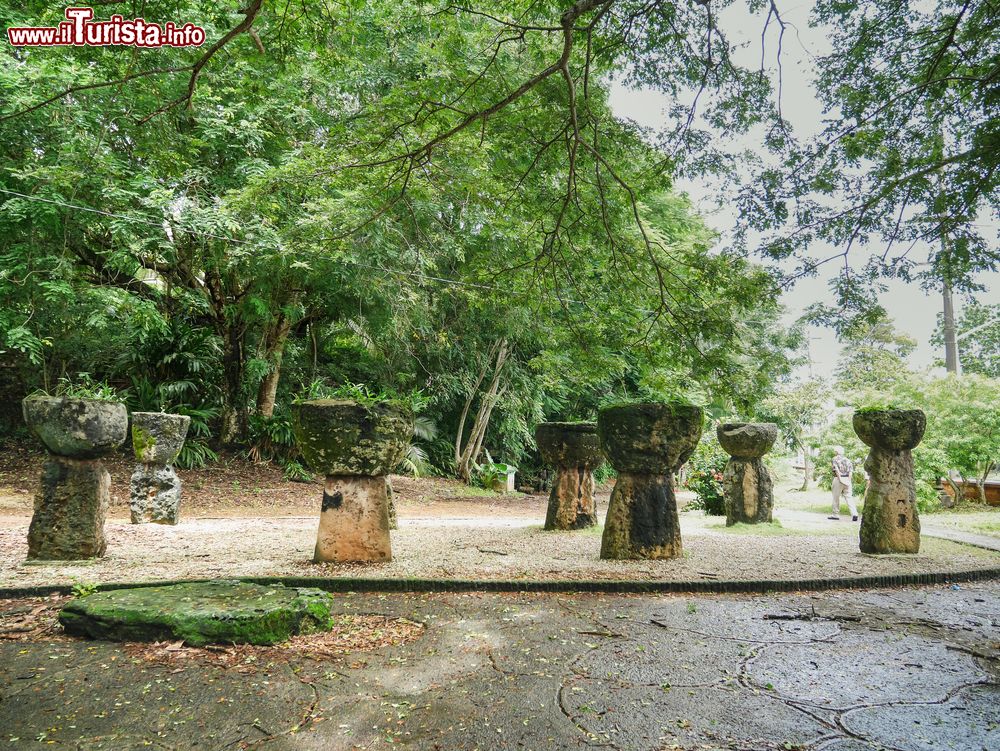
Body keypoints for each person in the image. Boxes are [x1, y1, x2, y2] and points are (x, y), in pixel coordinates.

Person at [829, 446, 859, 521]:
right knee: (849, 497)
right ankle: (854, 513)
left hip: (838, 479)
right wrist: (848, 481)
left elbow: (836, 470)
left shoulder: (834, 459)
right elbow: (850, 472)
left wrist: (840, 479)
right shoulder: (848, 460)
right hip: (847, 479)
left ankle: (835, 514)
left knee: (836, 497)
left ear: (836, 452)